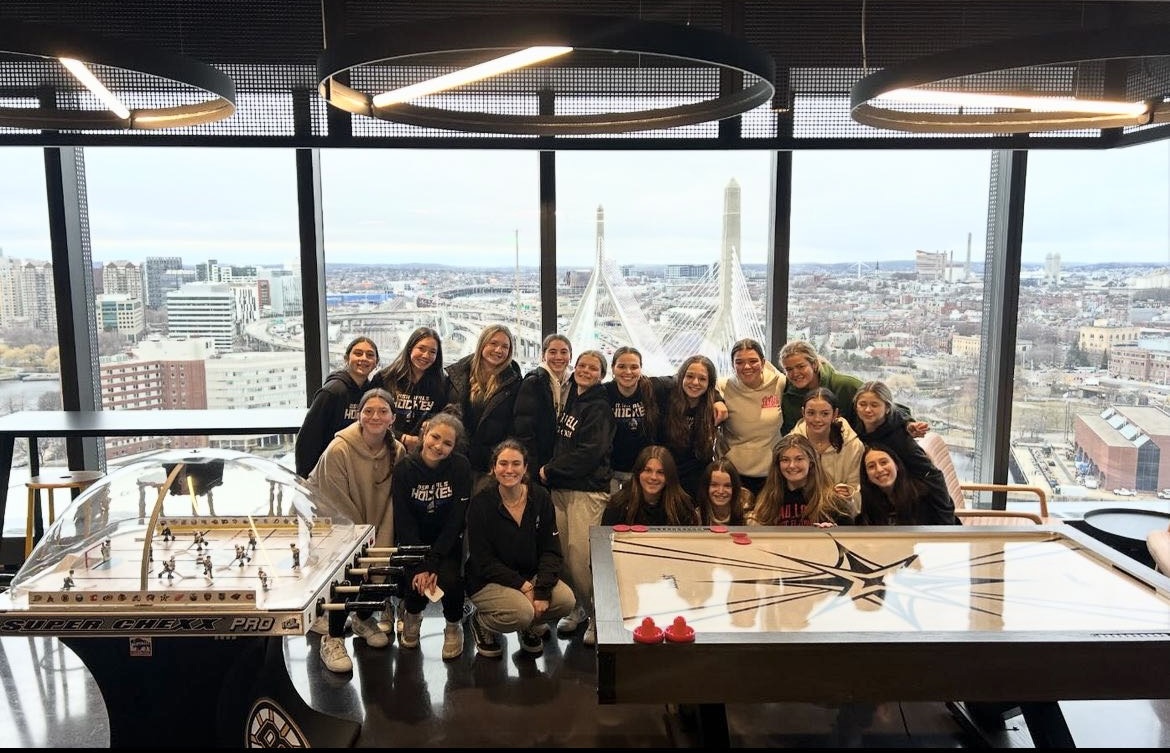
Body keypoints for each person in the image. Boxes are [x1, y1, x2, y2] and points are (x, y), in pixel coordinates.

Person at [306, 387, 404, 673]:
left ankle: (362, 619)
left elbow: (391, 499)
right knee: (343, 577)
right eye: (368, 411)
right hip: (337, 526)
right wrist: (362, 540)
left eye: (382, 411)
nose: (375, 416)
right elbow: (334, 503)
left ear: (392, 418)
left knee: (380, 569)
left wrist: (380, 537)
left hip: (377, 520)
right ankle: (332, 637)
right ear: (358, 415)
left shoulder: (396, 450)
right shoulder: (339, 449)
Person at [466, 439, 576, 658]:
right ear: (493, 467)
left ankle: (528, 626)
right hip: (488, 580)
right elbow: (483, 561)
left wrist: (541, 590)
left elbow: (551, 550)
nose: (509, 470)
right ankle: (482, 622)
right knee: (522, 612)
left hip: (529, 573)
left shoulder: (540, 497)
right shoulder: (481, 504)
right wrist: (525, 587)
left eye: (516, 464)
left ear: (525, 468)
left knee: (566, 601)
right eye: (503, 463)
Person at [539, 350, 615, 647]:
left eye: (592, 367)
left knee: (582, 559)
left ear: (601, 374)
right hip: (561, 489)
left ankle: (599, 615)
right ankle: (579, 606)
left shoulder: (599, 407)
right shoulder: (573, 398)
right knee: (564, 557)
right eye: (581, 365)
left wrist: (548, 469)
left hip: (587, 491)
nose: (585, 370)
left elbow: (589, 453)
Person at [391, 411, 473, 660]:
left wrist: (433, 562)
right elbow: (403, 520)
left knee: (451, 580)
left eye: (447, 443)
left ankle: (453, 626)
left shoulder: (460, 467)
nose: (438, 446)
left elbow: (456, 520)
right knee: (414, 581)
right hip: (413, 540)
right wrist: (420, 565)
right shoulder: (404, 468)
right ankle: (412, 617)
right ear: (424, 433)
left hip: (446, 542)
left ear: (454, 447)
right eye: (435, 437)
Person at [777, 340, 928, 438]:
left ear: (814, 365)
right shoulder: (786, 394)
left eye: (801, 366)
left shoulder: (845, 386)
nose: (795, 373)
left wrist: (907, 423)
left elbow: (882, 404)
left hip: (850, 455)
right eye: (789, 369)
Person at [850, 380, 951, 509]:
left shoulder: (900, 439)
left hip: (909, 507)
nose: (867, 410)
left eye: (874, 405)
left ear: (887, 408)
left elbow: (933, 476)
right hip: (873, 504)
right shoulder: (855, 429)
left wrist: (944, 520)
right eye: (862, 404)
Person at [445, 324, 522, 492]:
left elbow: (514, 426)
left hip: (489, 464)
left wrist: (499, 460)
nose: (499, 350)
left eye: (505, 347)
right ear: (482, 344)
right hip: (455, 457)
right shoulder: (457, 375)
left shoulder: (514, 384)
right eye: (493, 344)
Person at [295, 336, 380, 477]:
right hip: (327, 471)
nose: (364, 358)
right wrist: (304, 478)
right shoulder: (332, 391)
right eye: (358, 353)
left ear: (376, 362)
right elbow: (308, 438)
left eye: (370, 355)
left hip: (353, 470)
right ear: (347, 358)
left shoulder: (370, 394)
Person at [716, 338, 786, 495]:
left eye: (753, 361)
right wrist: (717, 401)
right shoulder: (722, 386)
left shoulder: (779, 383)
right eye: (739, 362)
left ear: (763, 362)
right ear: (732, 365)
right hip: (734, 473)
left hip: (772, 472)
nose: (746, 367)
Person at [748, 434, 854, 526]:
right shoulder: (768, 500)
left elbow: (847, 539)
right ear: (778, 465)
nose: (792, 465)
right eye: (785, 460)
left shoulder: (831, 500)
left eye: (799, 459)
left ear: (811, 462)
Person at [372, 326, 449, 452]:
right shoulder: (385, 378)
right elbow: (371, 418)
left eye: (432, 352)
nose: (426, 355)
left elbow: (443, 418)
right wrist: (402, 438)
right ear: (410, 348)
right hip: (385, 447)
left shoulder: (442, 384)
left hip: (424, 451)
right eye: (421, 348)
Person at [788, 387, 863, 515]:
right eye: (811, 413)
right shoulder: (790, 444)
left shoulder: (853, 446)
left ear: (835, 414)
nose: (817, 419)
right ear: (803, 413)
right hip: (799, 515)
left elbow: (856, 491)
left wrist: (847, 496)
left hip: (838, 516)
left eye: (825, 414)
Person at [659, 355, 722, 499]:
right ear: (681, 377)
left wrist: (719, 400)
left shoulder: (712, 409)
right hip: (666, 479)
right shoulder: (665, 399)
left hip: (698, 483)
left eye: (702, 379)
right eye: (690, 376)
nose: (695, 382)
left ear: (709, 383)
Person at [513, 334, 573, 483]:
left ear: (570, 356)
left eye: (564, 352)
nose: (558, 356)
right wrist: (533, 469)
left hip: (559, 462)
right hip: (539, 462)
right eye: (552, 352)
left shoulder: (572, 383)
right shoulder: (534, 382)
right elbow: (524, 430)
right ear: (543, 355)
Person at [857, 442, 958, 525]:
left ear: (896, 465)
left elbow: (945, 523)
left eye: (884, 462)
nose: (879, 469)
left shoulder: (924, 493)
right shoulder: (867, 500)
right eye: (871, 466)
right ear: (866, 475)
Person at [602, 445, 699, 526]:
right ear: (638, 473)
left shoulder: (682, 506)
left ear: (669, 476)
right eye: (647, 470)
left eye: (660, 472)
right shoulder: (618, 504)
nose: (653, 477)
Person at [695, 458, 752, 527]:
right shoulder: (697, 517)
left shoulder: (748, 517)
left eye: (727, 486)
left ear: (735, 488)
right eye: (714, 485)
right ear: (706, 487)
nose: (720, 491)